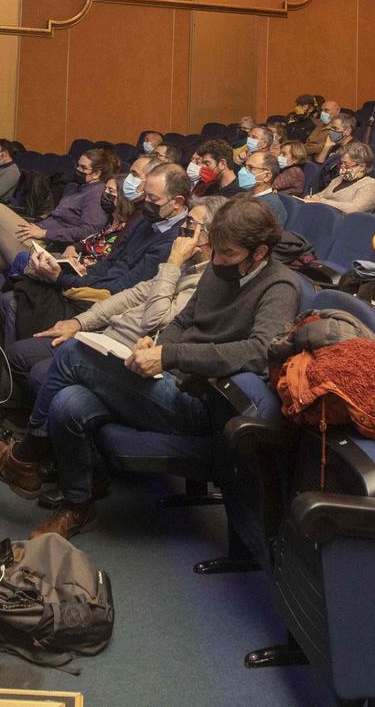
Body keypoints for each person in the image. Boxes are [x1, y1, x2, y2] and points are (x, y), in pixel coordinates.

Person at [23, 195, 302, 539]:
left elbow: (260, 352)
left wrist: (170, 356)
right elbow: (184, 320)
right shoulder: (219, 268)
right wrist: (157, 345)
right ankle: (77, 504)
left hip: (204, 401)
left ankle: (26, 455)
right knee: (69, 402)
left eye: (228, 254)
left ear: (259, 253)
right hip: (169, 377)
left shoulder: (280, 285)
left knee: (72, 356)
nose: (217, 261)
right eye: (215, 251)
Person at [0, 199, 220, 495]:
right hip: (110, 336)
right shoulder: (184, 264)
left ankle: (30, 458)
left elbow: (155, 318)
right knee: (27, 360)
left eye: (191, 226)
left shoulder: (205, 278)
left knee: (57, 375)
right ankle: (65, 475)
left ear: (210, 236)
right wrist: (80, 323)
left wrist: (172, 265)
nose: (183, 231)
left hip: (136, 357)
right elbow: (132, 294)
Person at [0, 165, 190, 343]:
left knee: (19, 300)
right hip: (97, 285)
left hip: (110, 301)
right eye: (145, 195)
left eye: (153, 199)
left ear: (177, 202)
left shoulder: (174, 241)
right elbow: (110, 262)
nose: (145, 202)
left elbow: (124, 287)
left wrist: (63, 279)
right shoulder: (145, 219)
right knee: (22, 286)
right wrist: (79, 272)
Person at [0, 148, 115, 293]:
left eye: (83, 168)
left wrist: (44, 233)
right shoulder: (76, 187)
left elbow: (89, 231)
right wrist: (39, 226)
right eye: (78, 166)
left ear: (96, 174)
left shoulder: (96, 193)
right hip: (34, 234)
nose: (77, 170)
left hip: (45, 246)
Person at [302, 141, 375, 214]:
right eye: (341, 164)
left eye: (346, 165)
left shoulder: (369, 186)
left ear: (362, 166)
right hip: (322, 214)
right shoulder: (339, 179)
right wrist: (311, 198)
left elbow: (354, 209)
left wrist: (321, 202)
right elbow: (321, 195)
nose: (342, 167)